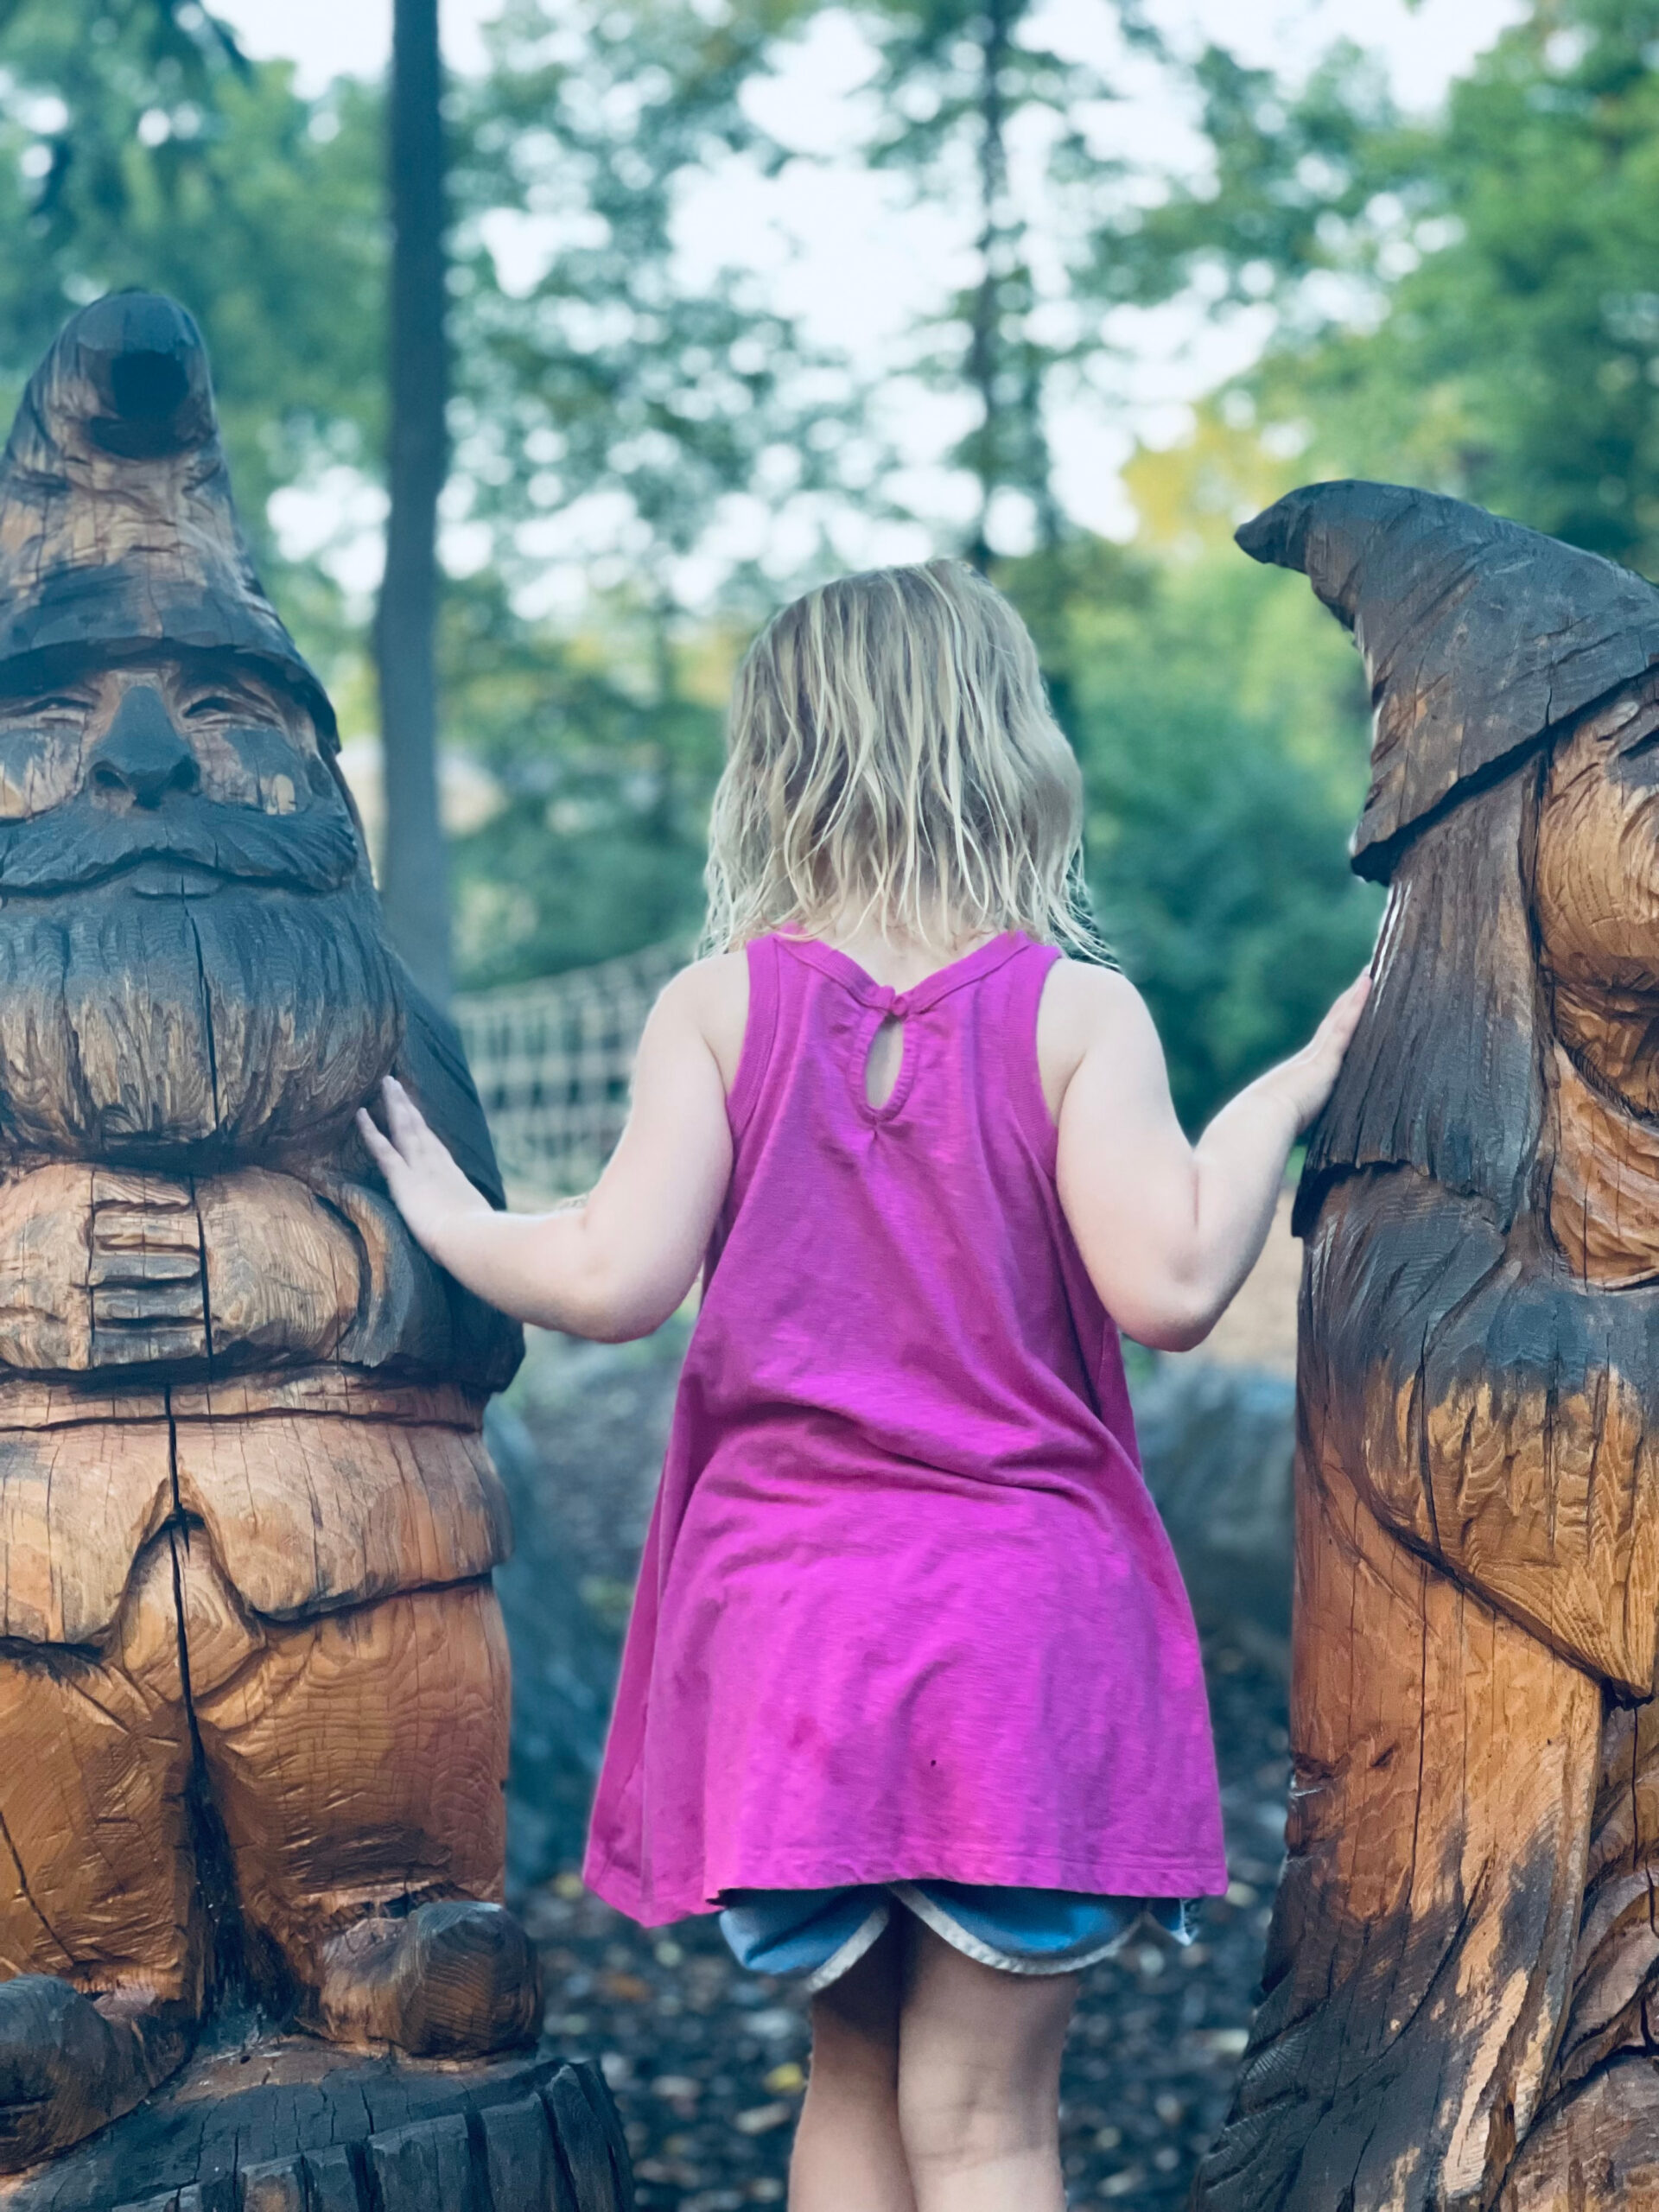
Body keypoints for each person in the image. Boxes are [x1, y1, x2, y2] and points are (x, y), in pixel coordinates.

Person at [358, 558, 1369, 2212]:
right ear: (1009, 747)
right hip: (1014, 1634)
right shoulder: (1075, 1014)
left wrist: (458, 1218)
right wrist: (1288, 1095)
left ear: (779, 765)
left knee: (851, 2077)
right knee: (985, 2123)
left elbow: (610, 1280)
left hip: (793, 1638)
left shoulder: (720, 1005)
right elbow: (1178, 1287)